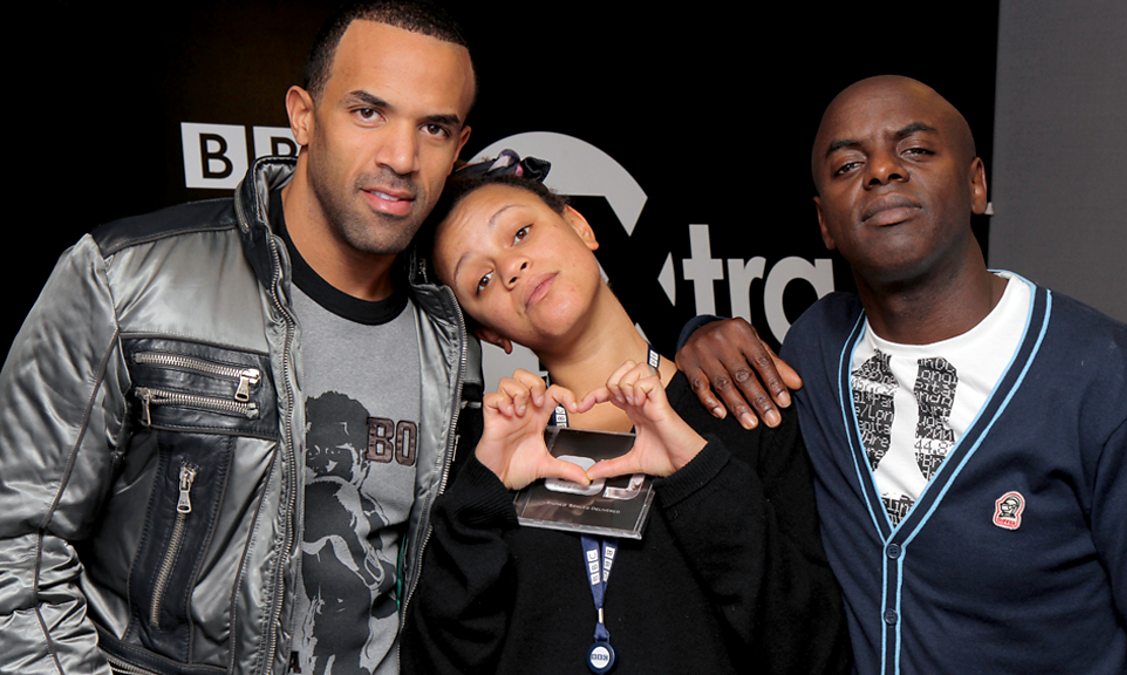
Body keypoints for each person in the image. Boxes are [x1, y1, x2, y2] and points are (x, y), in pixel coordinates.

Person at [0, 2, 481, 673]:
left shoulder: (454, 337)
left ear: (459, 148)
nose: (401, 157)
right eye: (368, 111)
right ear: (303, 115)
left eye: (434, 127)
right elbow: (17, 553)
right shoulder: (126, 280)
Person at [676, 75, 1127, 673]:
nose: (881, 171)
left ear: (977, 185)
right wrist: (700, 333)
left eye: (916, 150)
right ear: (824, 223)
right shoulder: (817, 348)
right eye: (848, 166)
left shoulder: (1118, 386)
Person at [401, 172, 850, 674]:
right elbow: (437, 663)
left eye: (520, 233)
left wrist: (697, 472)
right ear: (489, 333)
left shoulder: (743, 405)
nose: (511, 268)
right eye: (481, 281)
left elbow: (814, 651)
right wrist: (482, 497)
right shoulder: (488, 461)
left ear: (580, 225)